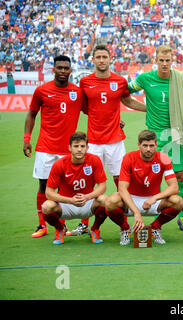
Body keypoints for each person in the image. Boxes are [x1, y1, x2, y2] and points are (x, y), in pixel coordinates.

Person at [79, 44, 145, 235]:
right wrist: (103, 117)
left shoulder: (119, 81)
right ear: (93, 59)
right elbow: (84, 107)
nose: (101, 60)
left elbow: (127, 101)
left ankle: (123, 221)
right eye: (98, 57)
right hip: (93, 141)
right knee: (89, 180)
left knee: (120, 180)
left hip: (115, 140)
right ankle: (84, 222)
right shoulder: (85, 82)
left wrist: (150, 109)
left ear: (110, 59)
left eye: (104, 57)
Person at [128, 45, 183, 231]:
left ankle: (182, 215)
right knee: (154, 176)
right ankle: (154, 211)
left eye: (168, 61)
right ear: (155, 61)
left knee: (180, 175)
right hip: (155, 137)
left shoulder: (181, 79)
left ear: (172, 61)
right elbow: (124, 94)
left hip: (177, 134)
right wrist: (146, 109)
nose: (164, 64)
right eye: (161, 60)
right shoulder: (145, 79)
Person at [23, 55, 86, 238]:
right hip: (46, 147)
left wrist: (116, 122)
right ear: (54, 69)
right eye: (60, 68)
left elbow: (93, 110)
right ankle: (42, 225)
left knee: (65, 189)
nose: (63, 71)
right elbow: (31, 114)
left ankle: (62, 226)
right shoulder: (42, 90)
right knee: (43, 186)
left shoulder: (78, 92)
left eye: (66, 68)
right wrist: (27, 138)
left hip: (69, 149)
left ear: (70, 70)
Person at [105, 130, 183, 245]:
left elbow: (174, 187)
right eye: (145, 145)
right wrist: (136, 212)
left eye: (151, 146)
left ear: (156, 145)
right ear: (139, 145)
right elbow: (122, 189)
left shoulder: (163, 158)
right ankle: (125, 229)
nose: (148, 149)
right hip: (131, 199)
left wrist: (154, 198)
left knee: (178, 201)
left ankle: (155, 227)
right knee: (110, 202)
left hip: (154, 200)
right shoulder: (129, 158)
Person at [42, 132, 108, 245]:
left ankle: (95, 229)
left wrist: (88, 197)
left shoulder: (94, 160)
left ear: (87, 147)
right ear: (69, 148)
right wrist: (70, 200)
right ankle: (60, 229)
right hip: (66, 205)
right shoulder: (59, 164)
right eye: (76, 146)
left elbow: (102, 186)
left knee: (105, 200)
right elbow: (49, 192)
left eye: (82, 146)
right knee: (47, 207)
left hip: (88, 202)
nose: (79, 149)